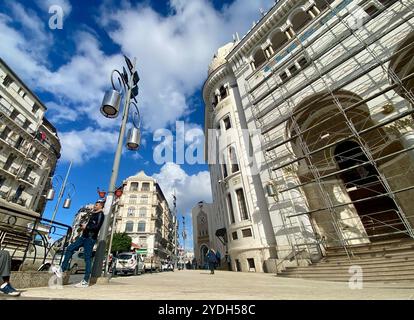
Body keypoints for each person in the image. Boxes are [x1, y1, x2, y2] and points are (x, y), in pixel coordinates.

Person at [55, 200, 105, 288]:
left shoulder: (100, 215)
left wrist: (87, 227)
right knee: (70, 248)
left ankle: (85, 281)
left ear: (101, 206)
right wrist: (84, 227)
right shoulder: (93, 214)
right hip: (83, 237)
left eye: (96, 205)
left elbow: (97, 227)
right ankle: (63, 269)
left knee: (87, 258)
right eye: (95, 205)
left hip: (90, 238)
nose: (94, 206)